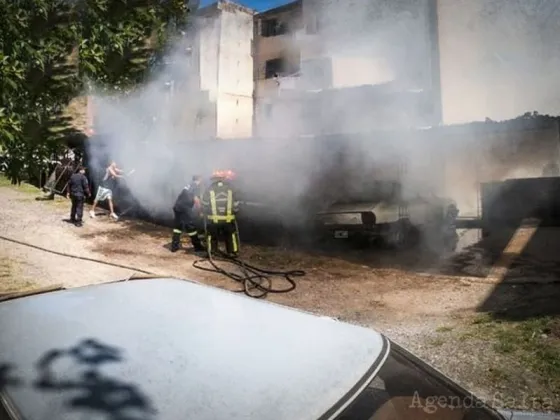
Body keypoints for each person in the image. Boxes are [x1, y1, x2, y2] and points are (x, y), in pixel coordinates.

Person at [201, 170, 240, 257]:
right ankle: (232, 252)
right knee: (230, 236)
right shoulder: (231, 188)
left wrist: (205, 211)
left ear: (214, 179)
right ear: (223, 178)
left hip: (213, 219)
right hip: (228, 218)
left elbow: (204, 203)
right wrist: (235, 211)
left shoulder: (209, 189)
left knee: (212, 236)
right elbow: (236, 202)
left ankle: (212, 252)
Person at [171, 175, 205, 253]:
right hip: (185, 208)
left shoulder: (188, 185)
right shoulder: (195, 186)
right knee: (191, 227)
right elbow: (196, 200)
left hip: (177, 207)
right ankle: (198, 247)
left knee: (178, 227)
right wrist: (200, 211)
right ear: (199, 179)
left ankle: (174, 247)